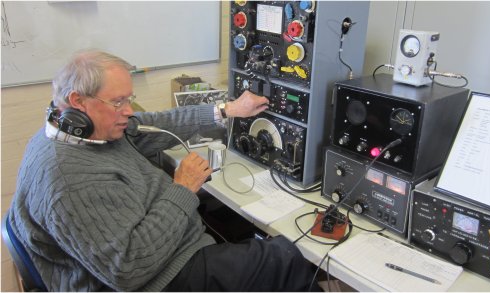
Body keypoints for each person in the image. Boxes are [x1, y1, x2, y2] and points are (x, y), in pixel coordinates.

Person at [8, 50, 323, 291]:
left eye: (129, 99)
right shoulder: (68, 181)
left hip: (167, 244)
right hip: (155, 279)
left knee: (231, 225)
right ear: (78, 102)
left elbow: (155, 125)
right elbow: (127, 270)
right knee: (282, 256)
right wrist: (183, 189)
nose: (129, 111)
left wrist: (227, 110)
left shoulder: (83, 131)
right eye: (118, 102)